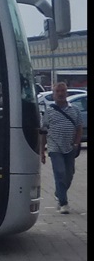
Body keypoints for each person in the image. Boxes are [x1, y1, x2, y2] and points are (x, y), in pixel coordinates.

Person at [40, 82, 83, 214]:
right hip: (54, 148)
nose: (60, 94)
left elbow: (79, 128)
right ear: (53, 94)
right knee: (60, 172)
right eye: (57, 91)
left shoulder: (74, 110)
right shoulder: (49, 111)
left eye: (62, 91)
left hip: (70, 147)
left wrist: (76, 143)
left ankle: (59, 192)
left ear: (66, 93)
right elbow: (43, 131)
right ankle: (63, 203)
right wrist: (42, 151)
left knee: (69, 175)